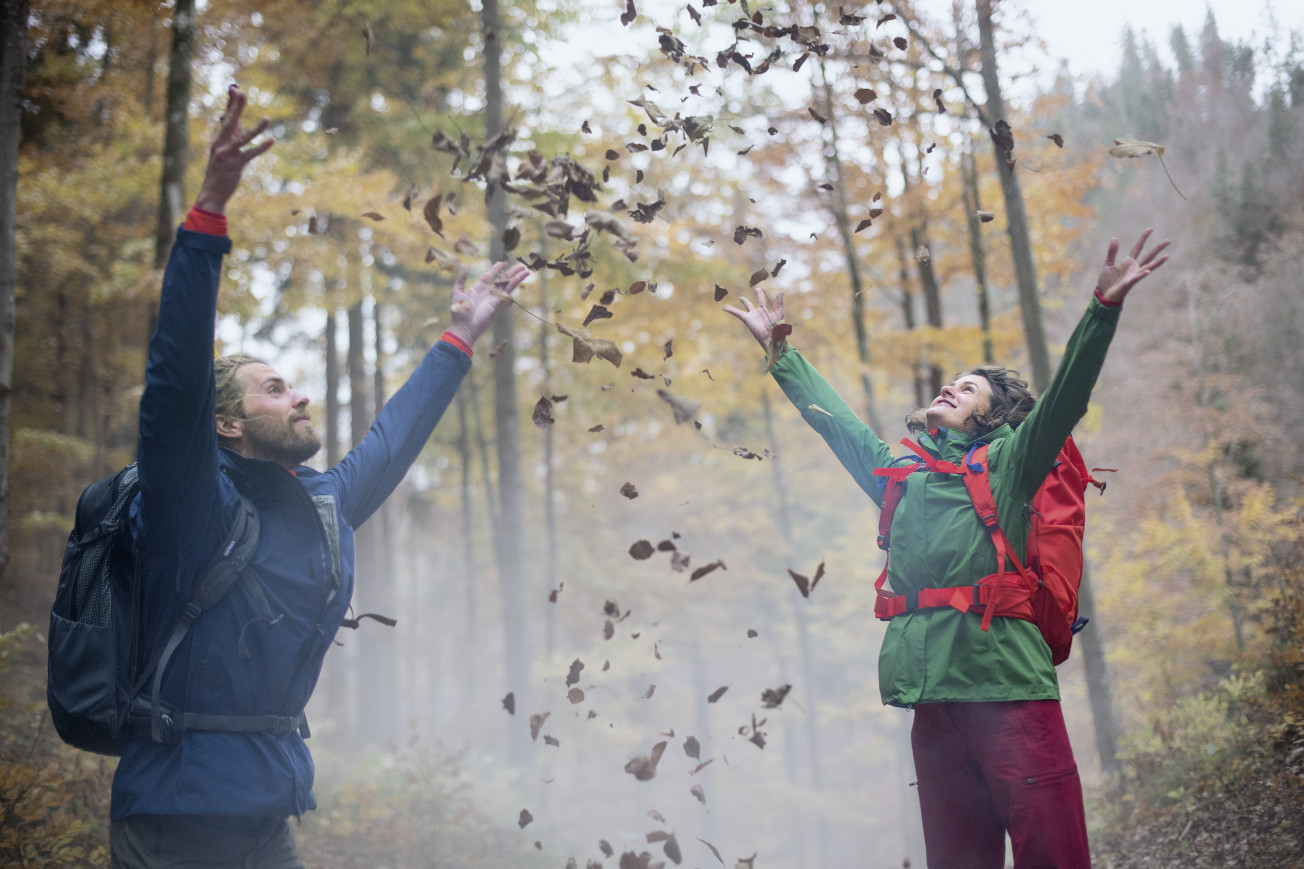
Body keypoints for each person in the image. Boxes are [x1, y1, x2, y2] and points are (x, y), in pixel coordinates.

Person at [109, 85, 530, 868]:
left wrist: (461, 333)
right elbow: (173, 386)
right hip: (173, 810)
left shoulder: (324, 503)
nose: (299, 393)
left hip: (268, 809)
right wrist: (208, 215)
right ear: (226, 423)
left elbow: (393, 440)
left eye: (292, 383)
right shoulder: (188, 505)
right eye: (274, 388)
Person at [725, 230, 1169, 868]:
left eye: (969, 389)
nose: (950, 389)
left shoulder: (1010, 466)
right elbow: (838, 427)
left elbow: (1065, 399)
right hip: (936, 710)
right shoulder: (900, 479)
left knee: (1055, 857)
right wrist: (782, 355)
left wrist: (1102, 309)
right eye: (949, 383)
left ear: (991, 418)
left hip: (1012, 696)